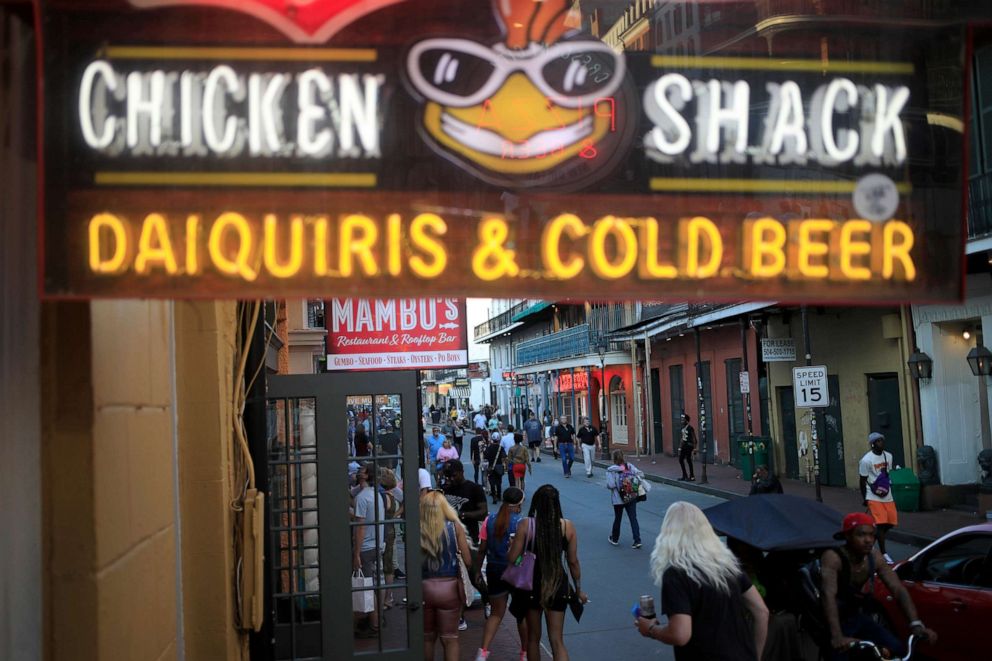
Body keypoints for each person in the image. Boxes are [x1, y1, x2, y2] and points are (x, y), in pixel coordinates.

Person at [635, 501, 769, 660]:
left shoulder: (676, 574)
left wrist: (651, 629)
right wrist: (756, 656)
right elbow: (762, 611)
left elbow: (680, 634)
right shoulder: (727, 564)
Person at [820, 512, 937, 659]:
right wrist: (836, 636)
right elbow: (828, 595)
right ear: (848, 536)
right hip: (835, 621)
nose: (868, 540)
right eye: (861, 535)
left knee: (897, 649)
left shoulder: (874, 557)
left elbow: (897, 588)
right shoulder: (833, 557)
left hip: (858, 617)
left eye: (872, 535)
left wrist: (915, 623)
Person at [507, 484, 588, 661]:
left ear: (535, 503)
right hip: (558, 584)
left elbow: (513, 558)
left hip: (532, 585)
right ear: (557, 504)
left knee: (533, 639)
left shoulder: (526, 525)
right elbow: (573, 562)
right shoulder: (567, 527)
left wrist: (513, 548)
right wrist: (578, 589)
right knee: (557, 641)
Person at [421, 489, 475, 661]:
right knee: (450, 639)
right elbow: (467, 560)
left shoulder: (417, 527)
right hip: (449, 588)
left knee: (427, 638)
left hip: (423, 587)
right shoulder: (454, 527)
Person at [475, 488, 528, 661]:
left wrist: (476, 571)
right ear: (519, 503)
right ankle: (524, 653)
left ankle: (482, 653)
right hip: (517, 571)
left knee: (496, 614)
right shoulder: (523, 522)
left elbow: (482, 549)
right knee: (522, 614)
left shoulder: (489, 520)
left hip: (494, 570)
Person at [352, 463, 385, 638]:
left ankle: (374, 624)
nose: (359, 471)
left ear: (366, 476)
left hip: (364, 549)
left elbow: (360, 528)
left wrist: (356, 553)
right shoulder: (375, 495)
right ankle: (374, 620)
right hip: (377, 546)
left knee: (366, 587)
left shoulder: (362, 498)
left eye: (362, 470)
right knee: (373, 584)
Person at [859, 433, 897, 562]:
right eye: (878, 441)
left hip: (886, 494)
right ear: (873, 444)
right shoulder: (866, 460)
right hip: (873, 494)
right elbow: (862, 480)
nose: (881, 443)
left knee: (890, 523)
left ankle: (870, 540)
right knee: (881, 524)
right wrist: (865, 498)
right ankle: (884, 554)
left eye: (882, 440)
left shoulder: (889, 456)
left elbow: (888, 475)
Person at [440, 460, 488, 545]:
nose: (451, 479)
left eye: (454, 475)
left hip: (469, 537)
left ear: (462, 472)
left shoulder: (475, 488)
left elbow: (483, 513)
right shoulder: (444, 489)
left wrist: (462, 514)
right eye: (448, 476)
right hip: (448, 537)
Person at [606, 450, 643, 549]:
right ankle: (637, 540)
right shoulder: (629, 466)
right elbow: (640, 474)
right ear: (623, 457)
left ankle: (615, 538)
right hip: (630, 496)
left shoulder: (611, 470)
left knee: (618, 518)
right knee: (633, 518)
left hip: (618, 499)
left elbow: (611, 485)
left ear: (614, 458)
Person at [483, 435, 507, 504]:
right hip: (499, 466)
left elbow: (485, 456)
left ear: (492, 439)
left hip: (491, 467)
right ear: (499, 440)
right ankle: (499, 495)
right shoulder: (501, 448)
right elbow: (504, 456)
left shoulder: (489, 447)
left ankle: (494, 496)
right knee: (499, 481)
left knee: (492, 481)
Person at [677, 414, 697, 482]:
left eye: (683, 419)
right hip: (684, 446)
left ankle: (692, 476)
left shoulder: (690, 428)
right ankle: (684, 475)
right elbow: (682, 438)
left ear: (686, 420)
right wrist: (680, 447)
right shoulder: (683, 428)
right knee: (680, 459)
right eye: (682, 419)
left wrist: (694, 448)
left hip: (689, 445)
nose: (682, 421)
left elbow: (694, 438)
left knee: (688, 460)